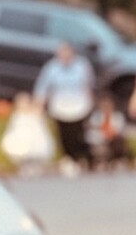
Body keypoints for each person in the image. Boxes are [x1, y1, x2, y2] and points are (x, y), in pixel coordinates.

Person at [33, 42, 97, 170]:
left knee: (79, 133)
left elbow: (89, 85)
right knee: (64, 134)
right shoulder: (51, 67)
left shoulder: (82, 65)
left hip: (79, 105)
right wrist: (39, 105)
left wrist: (92, 104)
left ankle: (82, 157)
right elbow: (42, 88)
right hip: (60, 106)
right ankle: (68, 157)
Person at [86, 92, 132, 171]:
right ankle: (99, 162)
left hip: (114, 141)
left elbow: (120, 130)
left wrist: (110, 134)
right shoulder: (96, 117)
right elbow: (91, 132)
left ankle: (117, 161)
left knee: (118, 142)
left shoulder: (118, 116)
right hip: (99, 141)